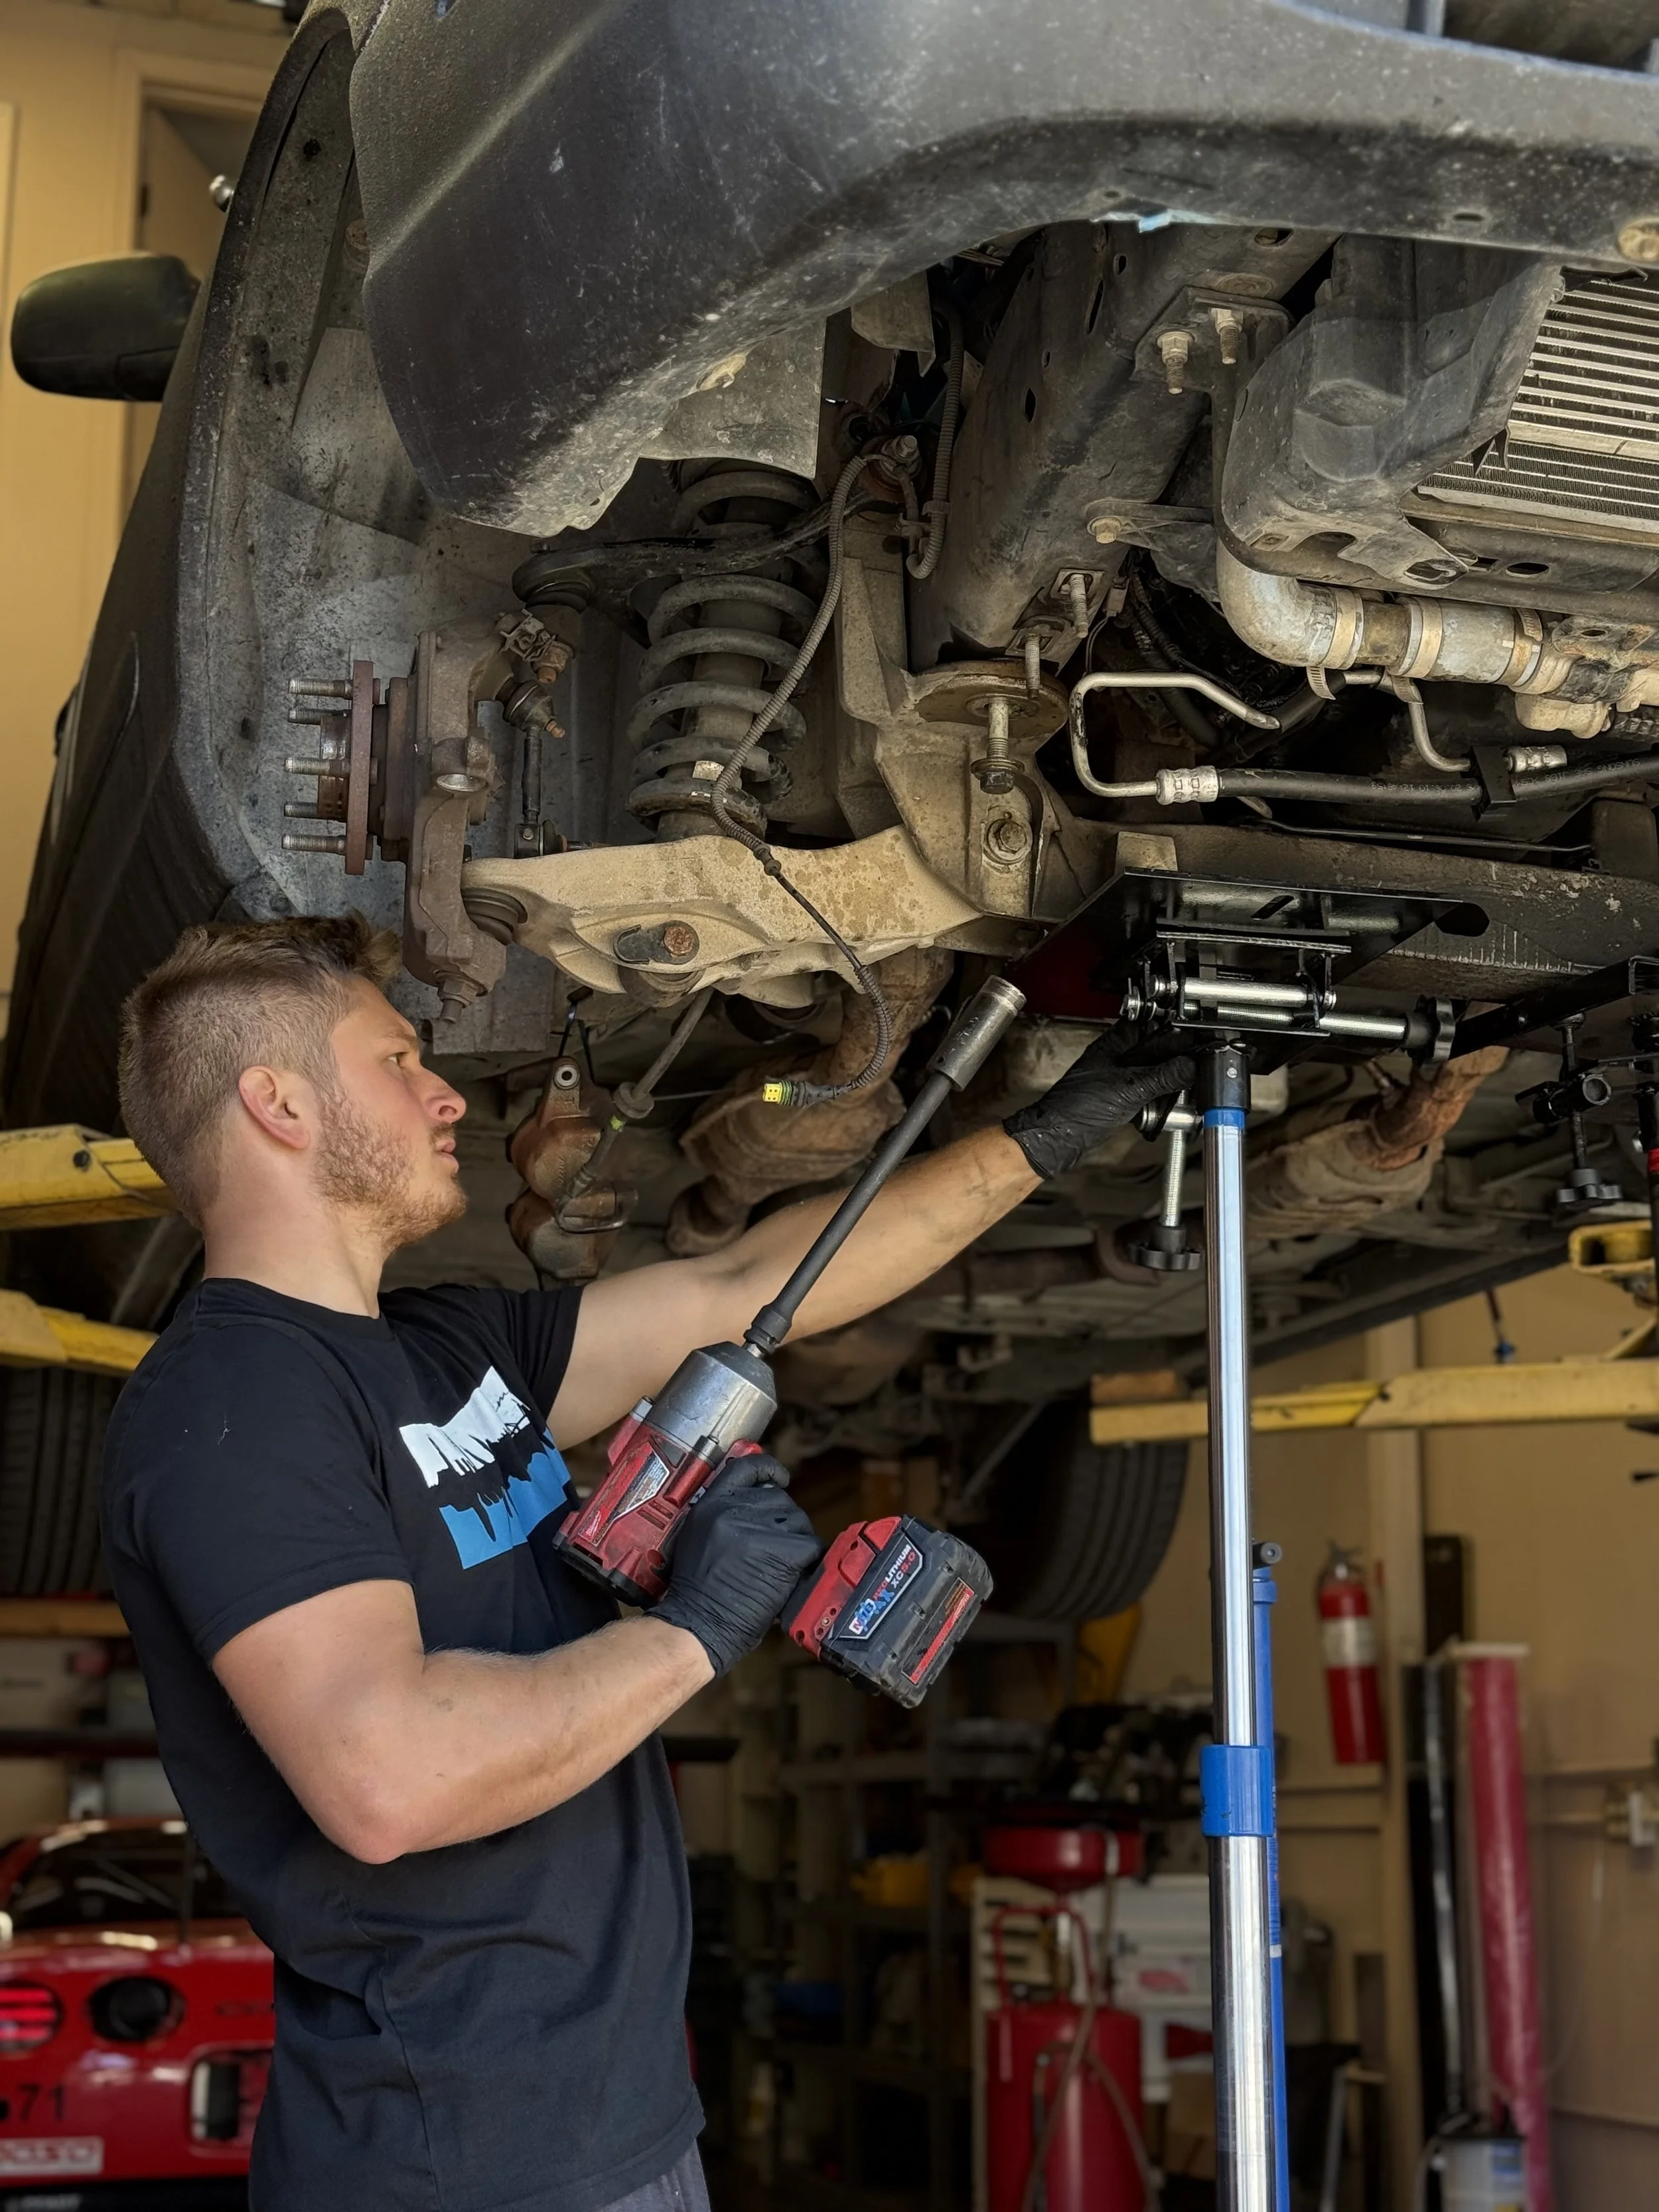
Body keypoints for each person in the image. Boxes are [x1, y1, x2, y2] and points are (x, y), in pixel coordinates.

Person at [102, 916, 1189, 2212]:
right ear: (276, 1103)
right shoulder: (230, 1407)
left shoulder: (446, 1349)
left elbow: (744, 1275)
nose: (445, 1091)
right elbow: (386, 1775)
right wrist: (696, 1627)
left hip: (609, 2130)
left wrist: (1049, 1134)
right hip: (458, 2168)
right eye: (397, 1059)